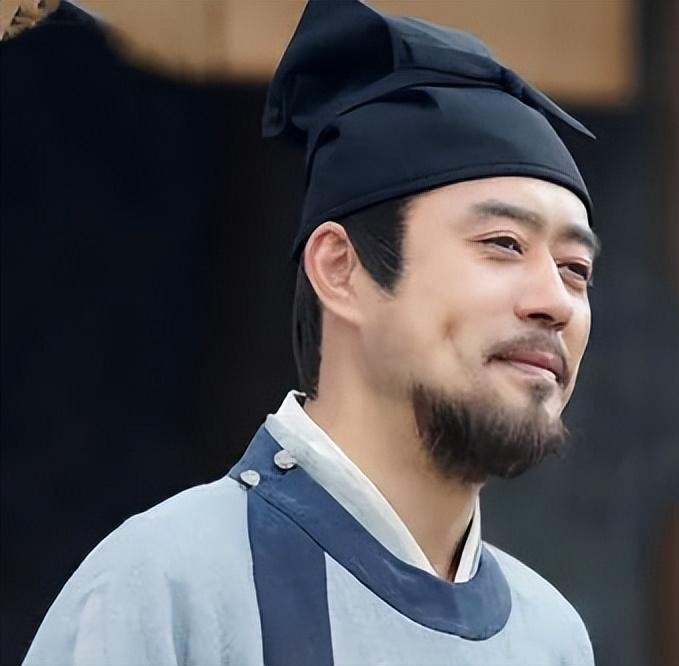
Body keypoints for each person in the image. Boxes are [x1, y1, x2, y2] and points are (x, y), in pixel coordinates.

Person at [24, 1, 600, 664]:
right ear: (340, 268)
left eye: (576, 269)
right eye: (502, 243)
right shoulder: (167, 590)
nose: (554, 301)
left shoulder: (551, 638)